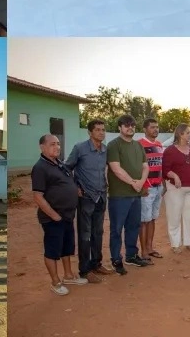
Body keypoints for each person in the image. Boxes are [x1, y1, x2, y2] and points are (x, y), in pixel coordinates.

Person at [31, 134, 86, 296]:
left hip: (67, 215)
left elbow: (67, 182)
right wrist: (54, 215)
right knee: (52, 251)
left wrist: (75, 190)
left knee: (66, 248)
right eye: (52, 144)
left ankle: (68, 275)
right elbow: (37, 196)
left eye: (58, 144)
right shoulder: (40, 167)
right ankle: (55, 282)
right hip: (53, 218)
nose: (57, 147)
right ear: (42, 147)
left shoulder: (59, 164)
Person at [64, 119, 113, 283]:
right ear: (90, 132)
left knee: (98, 233)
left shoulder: (105, 150)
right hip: (86, 197)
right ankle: (84, 270)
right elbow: (66, 168)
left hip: (101, 196)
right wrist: (74, 187)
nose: (101, 132)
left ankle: (96, 264)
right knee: (85, 234)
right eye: (98, 130)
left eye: (103, 129)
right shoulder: (80, 148)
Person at [107, 115, 150, 274]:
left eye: (132, 125)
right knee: (117, 229)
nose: (130, 127)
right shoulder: (113, 145)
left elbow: (145, 167)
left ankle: (131, 256)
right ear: (119, 127)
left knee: (133, 226)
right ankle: (116, 259)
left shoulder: (138, 146)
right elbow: (116, 168)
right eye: (126, 125)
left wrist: (141, 182)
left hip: (135, 195)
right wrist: (134, 182)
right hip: (119, 195)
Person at [161, 123, 190, 253]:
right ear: (180, 134)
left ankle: (188, 242)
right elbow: (165, 170)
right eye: (188, 132)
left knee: (189, 216)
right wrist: (175, 176)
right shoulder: (170, 151)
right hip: (175, 189)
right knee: (174, 216)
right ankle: (175, 244)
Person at [138, 118, 165, 260]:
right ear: (145, 129)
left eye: (157, 127)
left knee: (153, 219)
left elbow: (161, 167)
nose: (155, 129)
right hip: (146, 189)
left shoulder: (159, 145)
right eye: (152, 127)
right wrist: (143, 186)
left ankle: (150, 247)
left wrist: (163, 185)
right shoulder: (139, 145)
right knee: (144, 220)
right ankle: (143, 252)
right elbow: (137, 168)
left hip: (158, 187)